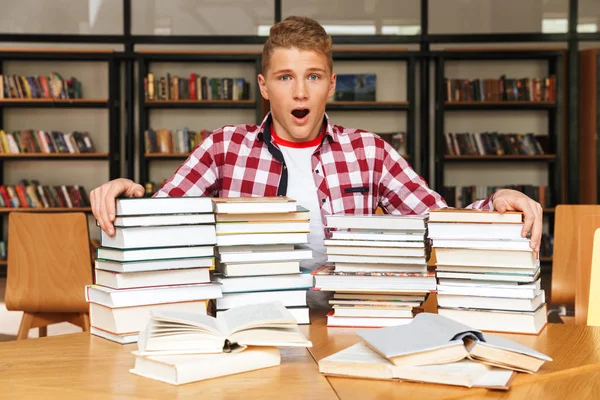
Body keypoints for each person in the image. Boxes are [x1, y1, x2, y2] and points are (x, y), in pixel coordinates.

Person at [91, 16, 543, 307]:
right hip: (253, 320)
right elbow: (164, 217)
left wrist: (496, 203)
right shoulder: (224, 146)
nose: (300, 92)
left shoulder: (369, 150)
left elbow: (436, 220)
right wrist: (127, 194)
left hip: (353, 318)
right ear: (265, 86)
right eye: (286, 78)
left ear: (331, 85)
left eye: (313, 77)